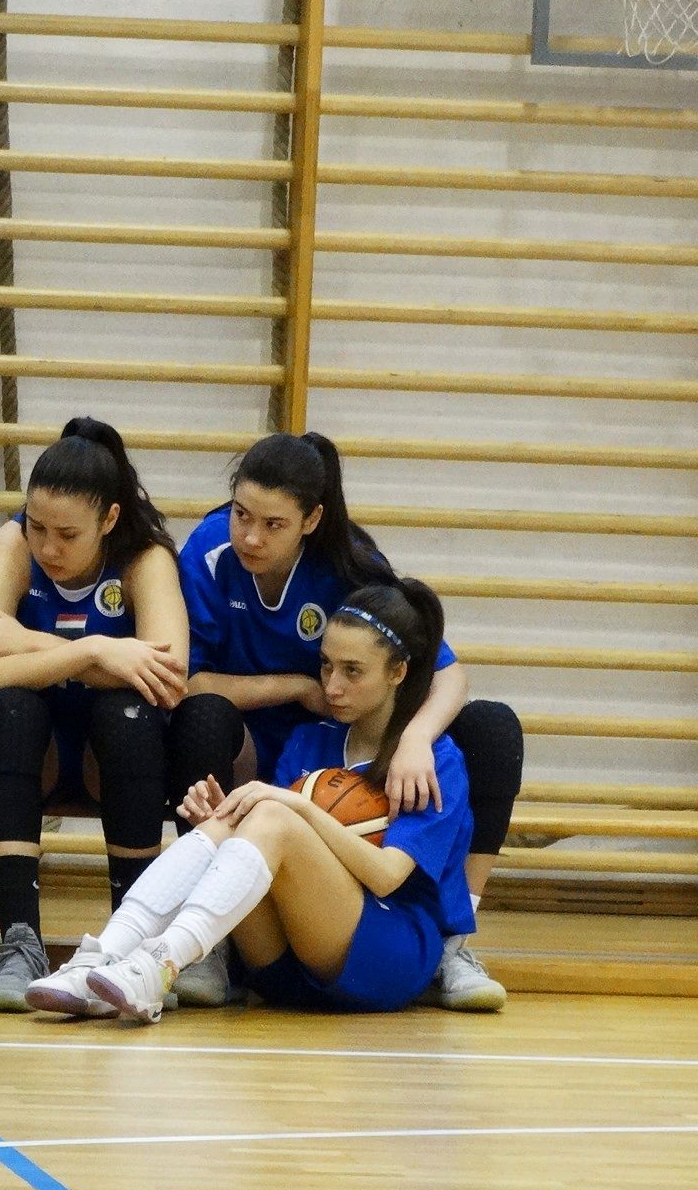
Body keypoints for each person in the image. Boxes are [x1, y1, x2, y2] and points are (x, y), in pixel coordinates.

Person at [169, 433, 521, 1012]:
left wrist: (414, 739)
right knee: (204, 738)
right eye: (241, 514)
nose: (251, 537)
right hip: (271, 736)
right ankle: (204, 947)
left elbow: (445, 673)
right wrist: (301, 688)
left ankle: (451, 942)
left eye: (274, 524)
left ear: (311, 520)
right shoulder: (208, 550)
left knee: (490, 729)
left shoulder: (350, 566)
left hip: (347, 758)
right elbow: (185, 682)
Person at [46, 580, 474, 1023]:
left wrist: (299, 808)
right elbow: (270, 835)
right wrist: (226, 817)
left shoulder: (434, 761)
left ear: (397, 672)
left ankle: (160, 963)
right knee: (233, 817)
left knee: (271, 812)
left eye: (352, 671)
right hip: (283, 967)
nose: (332, 685)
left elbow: (387, 876)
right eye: (326, 665)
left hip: (387, 955)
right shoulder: (309, 739)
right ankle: (103, 955)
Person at [0, 419, 187, 1012]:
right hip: (36, 754)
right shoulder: (13, 544)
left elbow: (168, 678)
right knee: (8, 709)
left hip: (106, 758)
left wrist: (25, 644)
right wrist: (96, 652)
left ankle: (130, 946)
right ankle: (20, 943)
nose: (48, 548)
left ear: (109, 520)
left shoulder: (144, 557)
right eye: (37, 527)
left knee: (128, 713)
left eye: (67, 534)